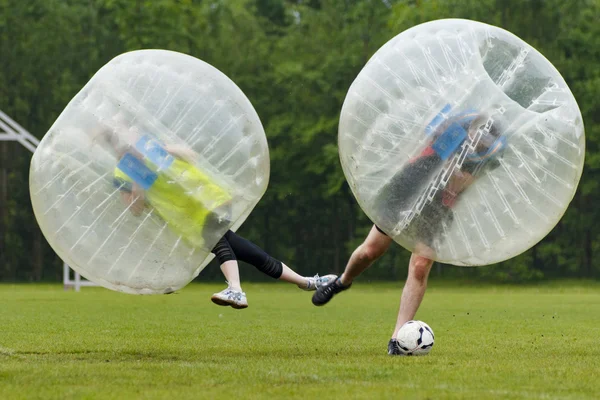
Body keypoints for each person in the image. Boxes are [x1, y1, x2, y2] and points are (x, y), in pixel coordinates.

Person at [312, 107, 506, 354]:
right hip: (408, 185)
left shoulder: (492, 154)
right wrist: (447, 161)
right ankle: (343, 281)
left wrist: (457, 174)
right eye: (477, 137)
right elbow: (430, 150)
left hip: (439, 204)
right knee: (370, 251)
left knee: (420, 266)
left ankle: (397, 338)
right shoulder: (455, 127)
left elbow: (464, 183)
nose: (478, 143)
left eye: (484, 143)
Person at [98, 121, 335, 309]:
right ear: (116, 146)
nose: (129, 136)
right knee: (246, 251)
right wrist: (140, 180)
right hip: (188, 219)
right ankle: (308, 282)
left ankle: (235, 289)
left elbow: (190, 156)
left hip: (209, 199)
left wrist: (161, 151)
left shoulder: (152, 145)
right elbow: (136, 210)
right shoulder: (122, 174)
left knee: (216, 240)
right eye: (121, 136)